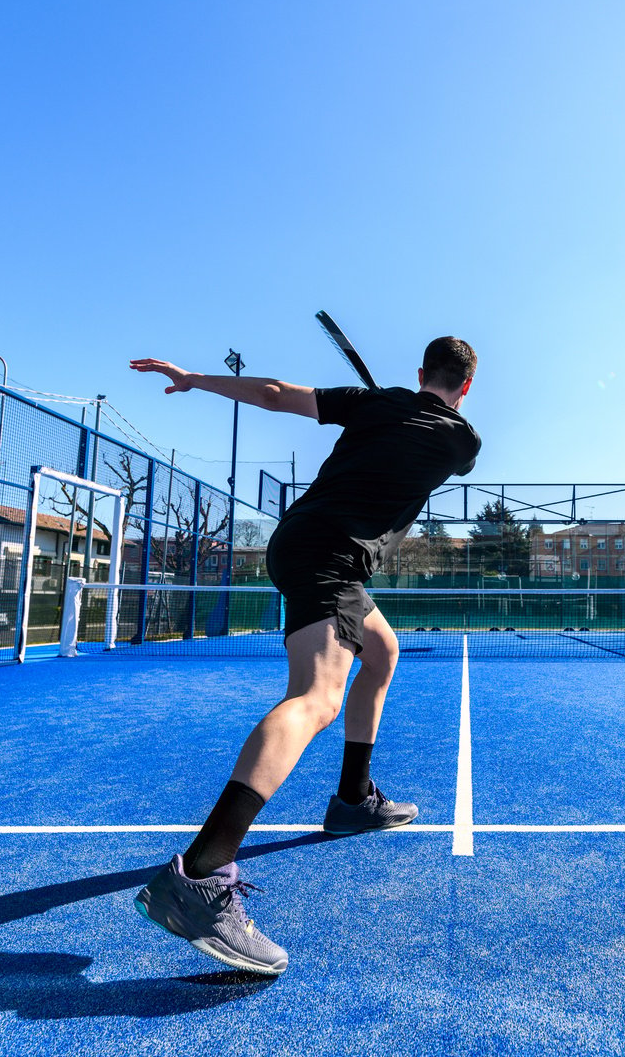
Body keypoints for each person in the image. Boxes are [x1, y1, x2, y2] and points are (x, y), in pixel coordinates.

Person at [125, 337, 480, 975]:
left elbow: (273, 395)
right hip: (331, 556)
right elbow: (447, 455)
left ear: (422, 372)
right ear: (466, 386)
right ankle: (200, 877)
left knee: (382, 653)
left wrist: (196, 379)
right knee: (315, 699)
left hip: (306, 542)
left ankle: (351, 801)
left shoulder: (376, 404)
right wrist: (411, 411)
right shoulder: (463, 439)